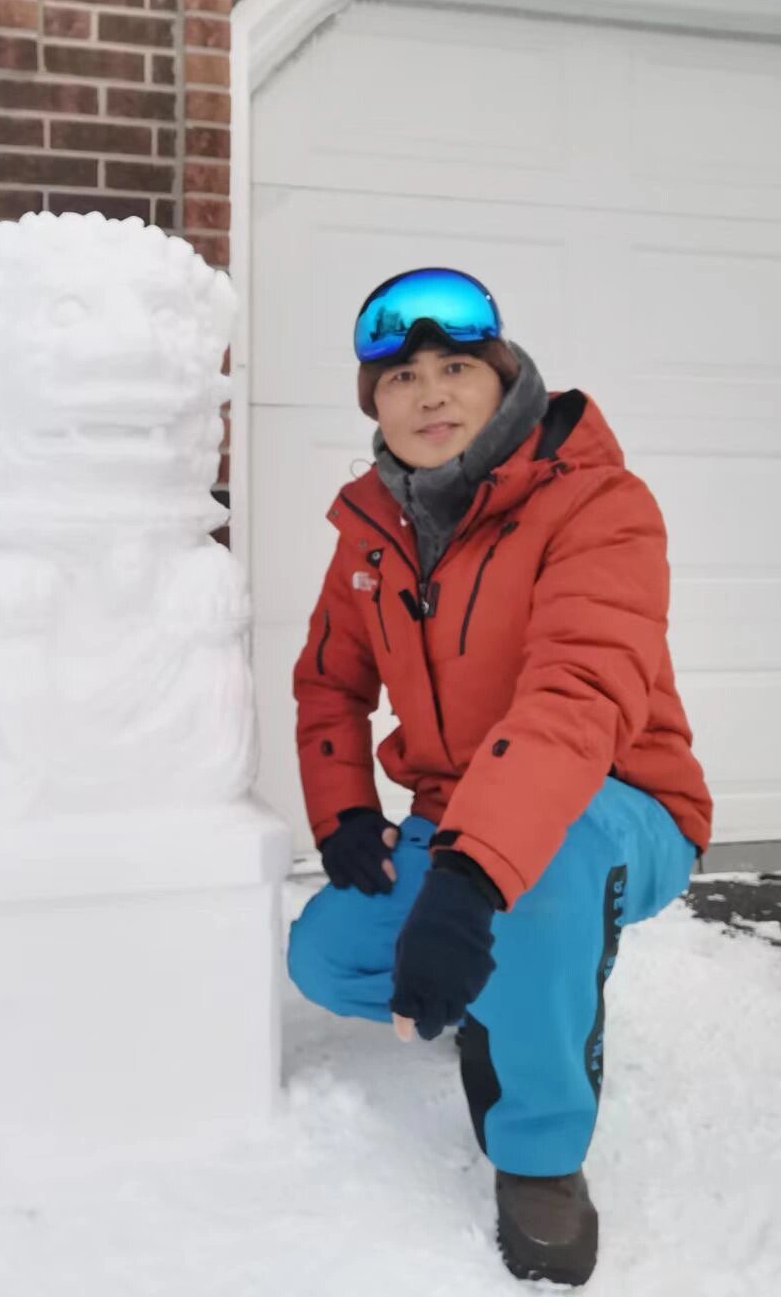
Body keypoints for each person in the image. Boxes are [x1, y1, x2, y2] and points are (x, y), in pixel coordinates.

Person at [287, 267, 712, 1287]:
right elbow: (325, 684)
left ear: (504, 378)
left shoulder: (600, 505)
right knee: (328, 955)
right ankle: (511, 983)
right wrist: (344, 809)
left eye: (457, 367)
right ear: (375, 406)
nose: (429, 393)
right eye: (400, 379)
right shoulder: (371, 536)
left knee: (540, 873)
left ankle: (540, 1154)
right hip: (459, 813)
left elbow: (575, 698)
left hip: (619, 806)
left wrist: (470, 886)